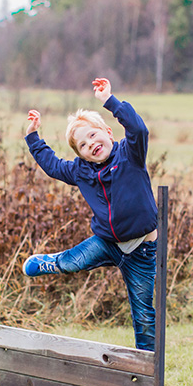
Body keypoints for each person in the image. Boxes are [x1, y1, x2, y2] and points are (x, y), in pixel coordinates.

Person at [22, 78, 158, 351]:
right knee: (72, 263)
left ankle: (147, 368)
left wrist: (110, 101)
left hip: (142, 250)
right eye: (83, 145)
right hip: (106, 242)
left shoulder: (130, 154)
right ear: (82, 156)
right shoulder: (81, 171)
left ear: (108, 132)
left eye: (94, 136)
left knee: (143, 313)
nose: (91, 144)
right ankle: (50, 262)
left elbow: (138, 128)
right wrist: (32, 137)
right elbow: (53, 166)